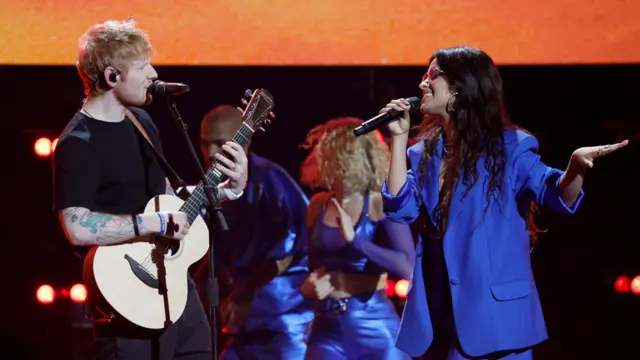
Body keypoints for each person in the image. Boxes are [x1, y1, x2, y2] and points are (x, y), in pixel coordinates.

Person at [379, 46, 629, 360]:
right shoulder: (423, 153)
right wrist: (399, 140)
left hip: (496, 321)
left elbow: (554, 193)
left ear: (460, 88)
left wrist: (575, 168)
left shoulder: (512, 148)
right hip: (442, 320)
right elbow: (400, 210)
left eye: (433, 75)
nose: (422, 84)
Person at [52, 19, 248, 360]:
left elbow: (167, 197)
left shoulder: (140, 122)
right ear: (112, 77)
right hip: (126, 297)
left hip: (172, 285)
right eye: (142, 67)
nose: (153, 74)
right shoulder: (77, 142)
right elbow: (76, 226)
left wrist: (228, 190)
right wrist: (153, 224)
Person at [192, 105, 315, 359]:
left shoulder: (270, 180)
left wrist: (245, 291)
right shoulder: (212, 185)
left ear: (243, 142)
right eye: (205, 144)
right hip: (242, 323)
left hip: (283, 318)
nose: (211, 153)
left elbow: (290, 249)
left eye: (220, 143)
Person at [298, 117, 416, 360]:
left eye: (325, 153)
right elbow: (307, 266)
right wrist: (308, 285)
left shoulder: (378, 203)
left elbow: (408, 266)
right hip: (326, 326)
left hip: (373, 325)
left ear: (345, 158)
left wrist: (356, 242)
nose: (318, 160)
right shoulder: (318, 205)